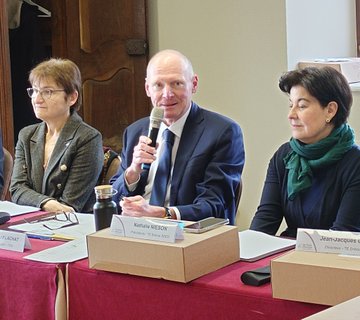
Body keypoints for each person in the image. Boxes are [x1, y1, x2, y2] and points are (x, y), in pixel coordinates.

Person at [111, 49, 244, 225]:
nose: (167, 94)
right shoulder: (135, 131)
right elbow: (112, 197)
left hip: (189, 235)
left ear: (194, 84)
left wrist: (160, 214)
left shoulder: (222, 132)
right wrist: (132, 172)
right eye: (158, 85)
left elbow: (214, 205)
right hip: (136, 232)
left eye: (177, 84)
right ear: (147, 89)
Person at [250, 66, 360, 238]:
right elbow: (266, 217)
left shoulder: (355, 162)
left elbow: (343, 236)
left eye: (301, 106)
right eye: (290, 105)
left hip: (335, 259)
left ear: (330, 110)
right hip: (290, 254)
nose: (291, 114)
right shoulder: (284, 155)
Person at [10, 58, 103, 213]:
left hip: (73, 227)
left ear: (72, 97)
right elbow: (17, 189)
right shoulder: (26, 135)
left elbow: (70, 205)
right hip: (32, 221)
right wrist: (46, 203)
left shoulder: (88, 138)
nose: (37, 99)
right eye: (34, 90)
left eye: (48, 92)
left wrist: (36, 201)